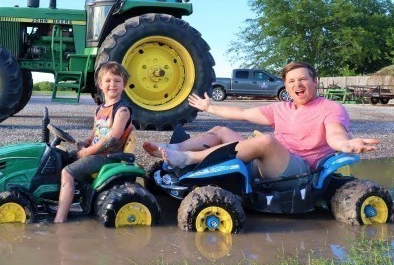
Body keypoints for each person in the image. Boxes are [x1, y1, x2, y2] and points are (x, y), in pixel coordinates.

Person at [143, 61, 378, 182]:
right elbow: (243, 114)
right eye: (291, 81)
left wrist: (347, 144)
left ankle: (187, 159)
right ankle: (172, 149)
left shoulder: (330, 108)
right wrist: (210, 107)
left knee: (266, 141)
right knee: (221, 130)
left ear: (315, 81)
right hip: (269, 160)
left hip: (299, 170)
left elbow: (335, 134)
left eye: (303, 79)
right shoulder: (281, 108)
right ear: (285, 86)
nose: (297, 85)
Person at [54, 61, 132, 223]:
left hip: (107, 155)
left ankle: (59, 219)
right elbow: (95, 133)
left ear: (124, 85)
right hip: (96, 152)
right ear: (100, 85)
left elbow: (111, 139)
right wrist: (84, 143)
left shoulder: (122, 111)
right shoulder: (100, 108)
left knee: (66, 172)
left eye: (117, 81)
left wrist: (86, 152)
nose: (113, 85)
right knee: (58, 158)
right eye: (108, 81)